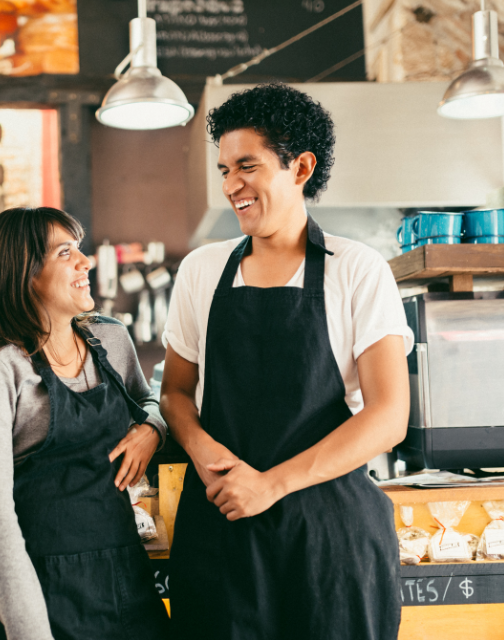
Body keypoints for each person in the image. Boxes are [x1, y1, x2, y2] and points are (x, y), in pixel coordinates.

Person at [161, 84, 413, 639]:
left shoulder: (356, 269)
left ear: (300, 167)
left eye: (246, 166)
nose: (231, 186)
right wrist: (204, 452)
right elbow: (175, 392)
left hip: (331, 541)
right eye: (224, 169)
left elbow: (389, 416)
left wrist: (271, 485)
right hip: (223, 531)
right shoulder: (202, 271)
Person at [0, 206, 171, 640]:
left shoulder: (109, 338)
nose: (85, 261)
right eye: (65, 252)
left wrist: (152, 427)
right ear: (25, 273)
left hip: (123, 577)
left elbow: (153, 398)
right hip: (37, 590)